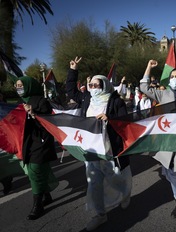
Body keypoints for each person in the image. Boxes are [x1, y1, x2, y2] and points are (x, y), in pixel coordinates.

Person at [66, 57, 132, 231]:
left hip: (110, 148)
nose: (93, 88)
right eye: (92, 85)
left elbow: (126, 122)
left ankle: (125, 192)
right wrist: (73, 70)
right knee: (94, 182)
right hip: (91, 149)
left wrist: (110, 119)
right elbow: (71, 91)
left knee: (114, 177)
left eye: (97, 85)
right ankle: (100, 215)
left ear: (105, 85)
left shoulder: (115, 101)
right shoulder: (86, 98)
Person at [140, 59, 176, 228]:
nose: (174, 79)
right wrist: (148, 67)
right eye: (172, 76)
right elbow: (143, 88)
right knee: (170, 176)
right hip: (167, 145)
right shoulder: (163, 94)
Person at [14, 76, 58, 220]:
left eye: (21, 85)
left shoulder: (41, 101)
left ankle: (37, 206)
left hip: (41, 142)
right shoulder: (19, 102)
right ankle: (46, 194)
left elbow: (48, 124)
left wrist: (33, 114)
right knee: (37, 170)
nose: (18, 88)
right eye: (17, 86)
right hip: (26, 143)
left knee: (35, 170)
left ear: (29, 86)